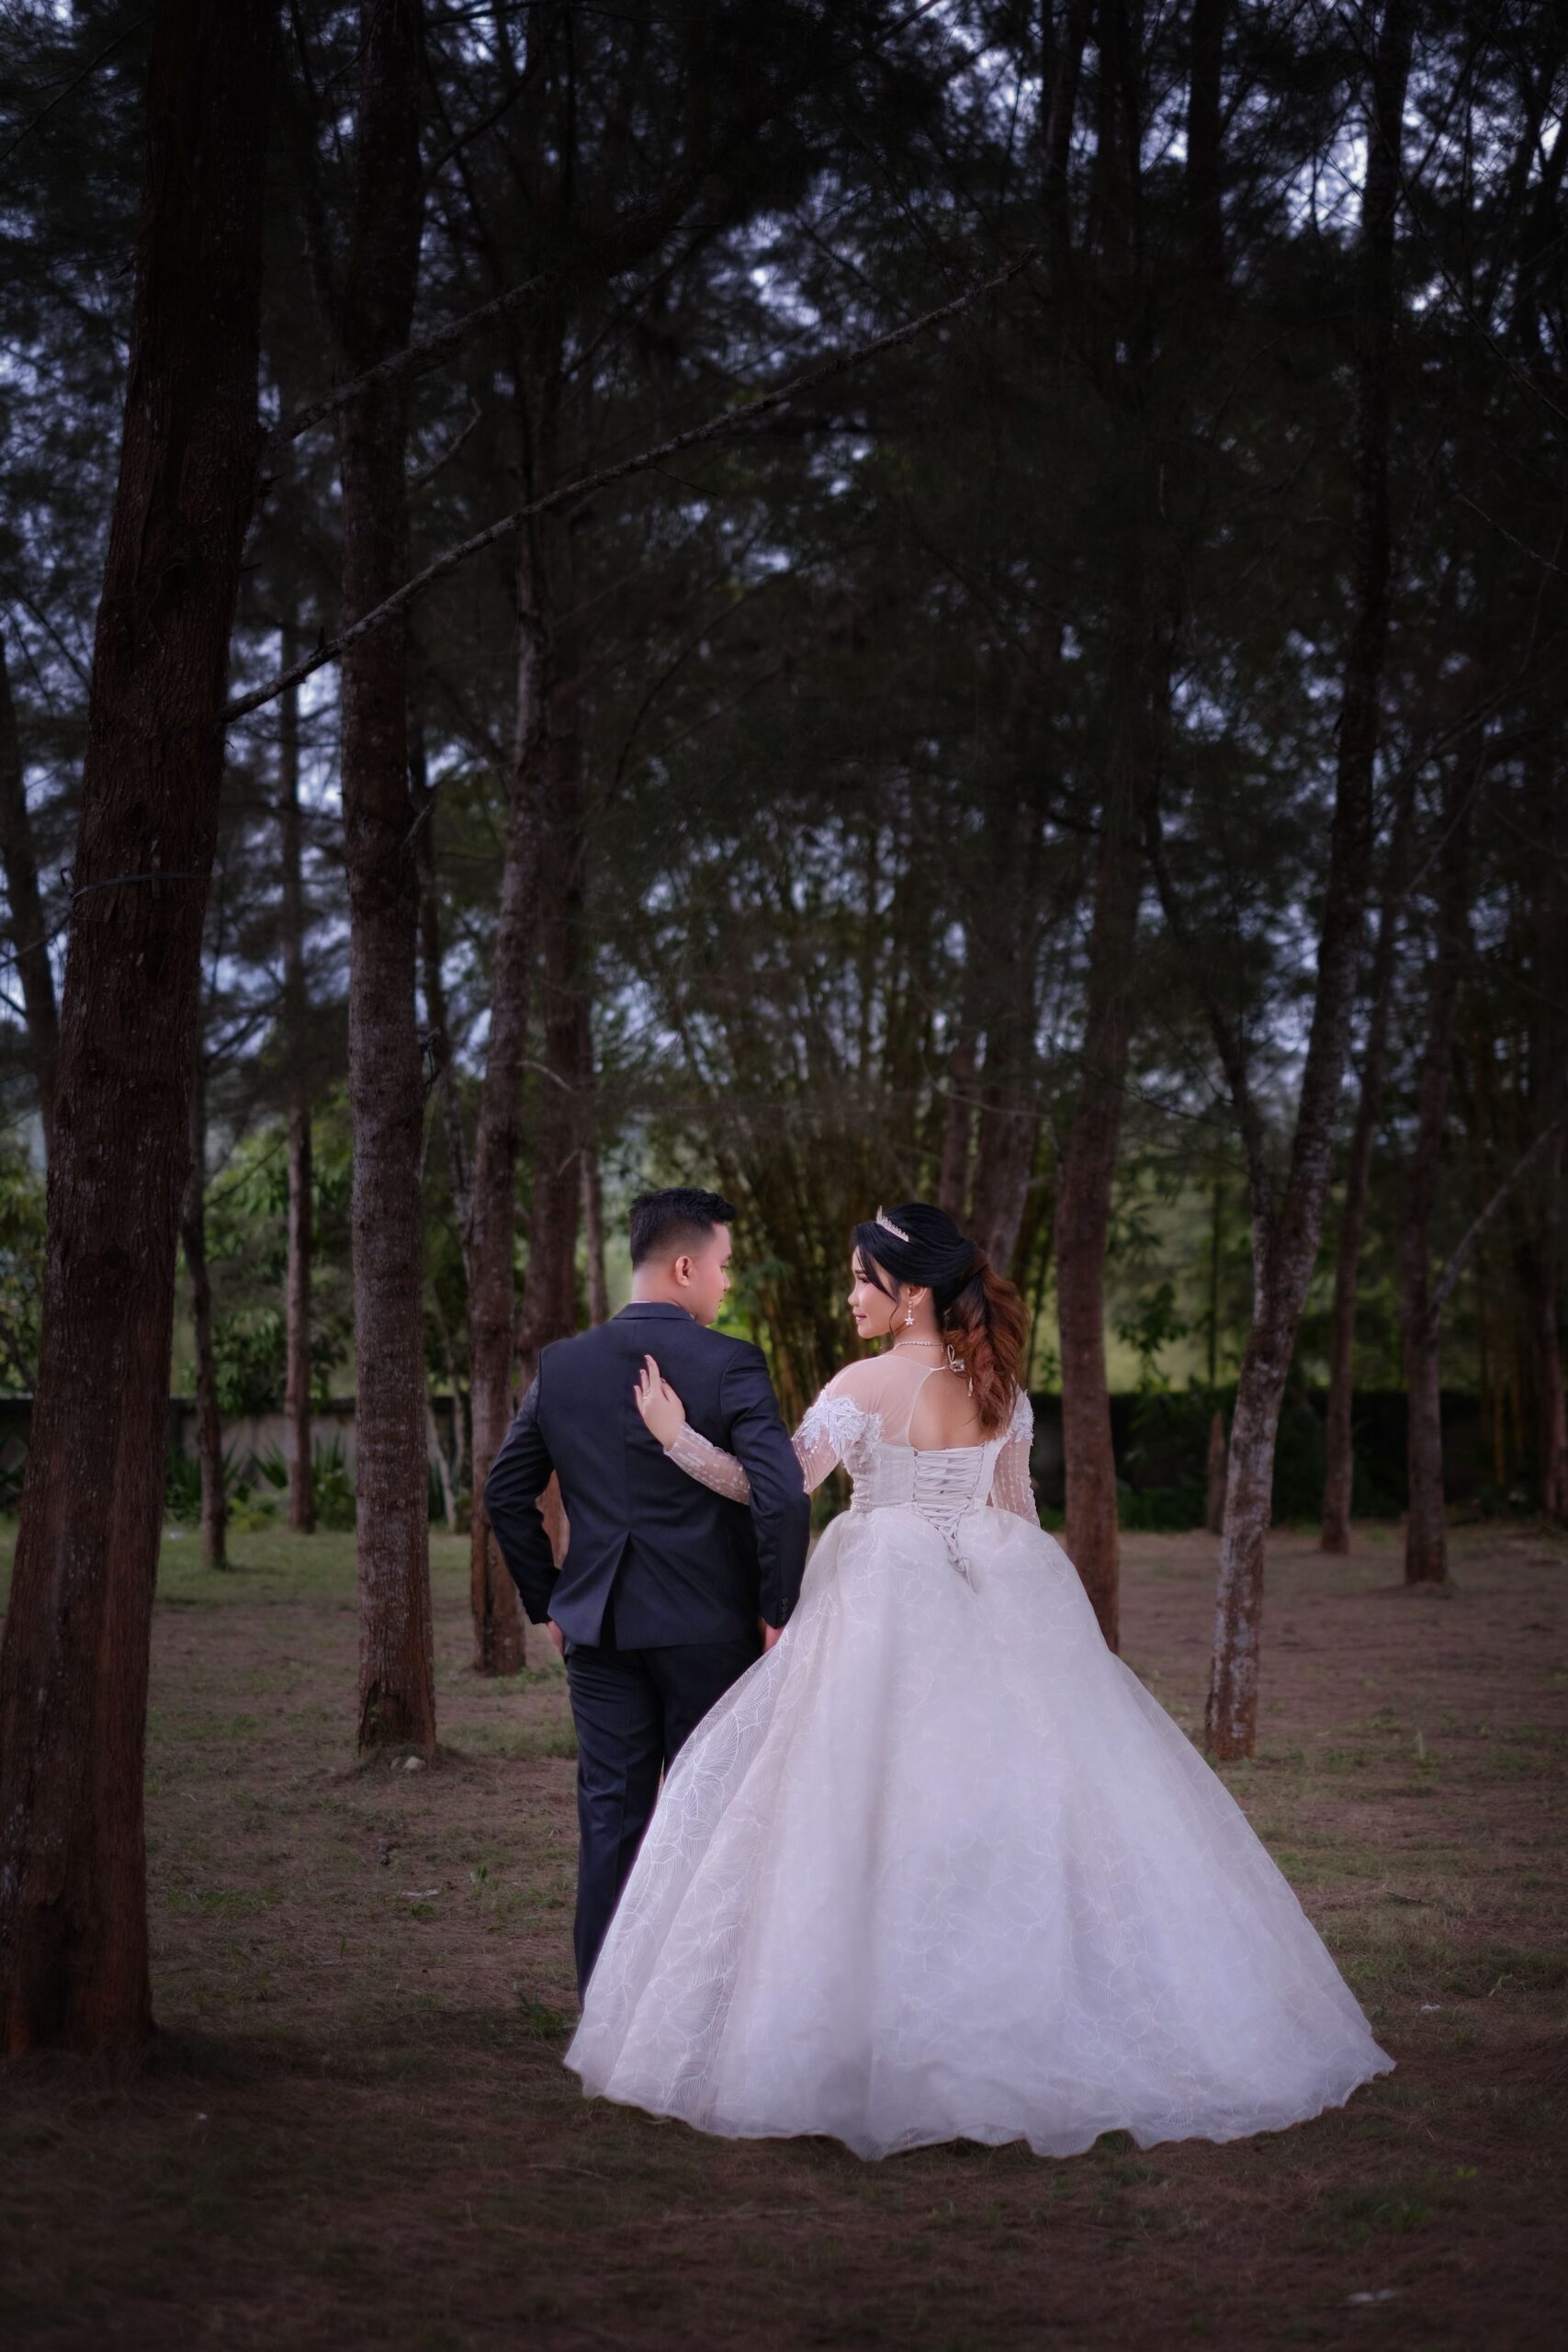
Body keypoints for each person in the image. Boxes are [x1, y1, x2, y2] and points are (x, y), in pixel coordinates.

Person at [562, 1200, 1393, 2160]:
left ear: (911, 1293)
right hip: (985, 1601)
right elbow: (1017, 1515)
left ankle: (861, 2032)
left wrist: (674, 1435)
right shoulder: (1002, 1390)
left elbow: (775, 1486)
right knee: (995, 1806)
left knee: (860, 1805)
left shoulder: (863, 1385)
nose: (850, 1297)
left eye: (862, 1281)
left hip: (877, 1609)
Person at [482, 1185, 810, 1999]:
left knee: (610, 1819)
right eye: (724, 1265)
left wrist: (551, 1601)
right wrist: (776, 1609)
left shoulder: (562, 1365)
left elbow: (504, 1494)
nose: (727, 1282)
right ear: (685, 1266)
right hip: (712, 1631)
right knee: (710, 1821)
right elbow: (781, 1495)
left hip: (597, 1629)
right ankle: (694, 2008)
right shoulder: (730, 1362)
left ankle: (605, 2010)